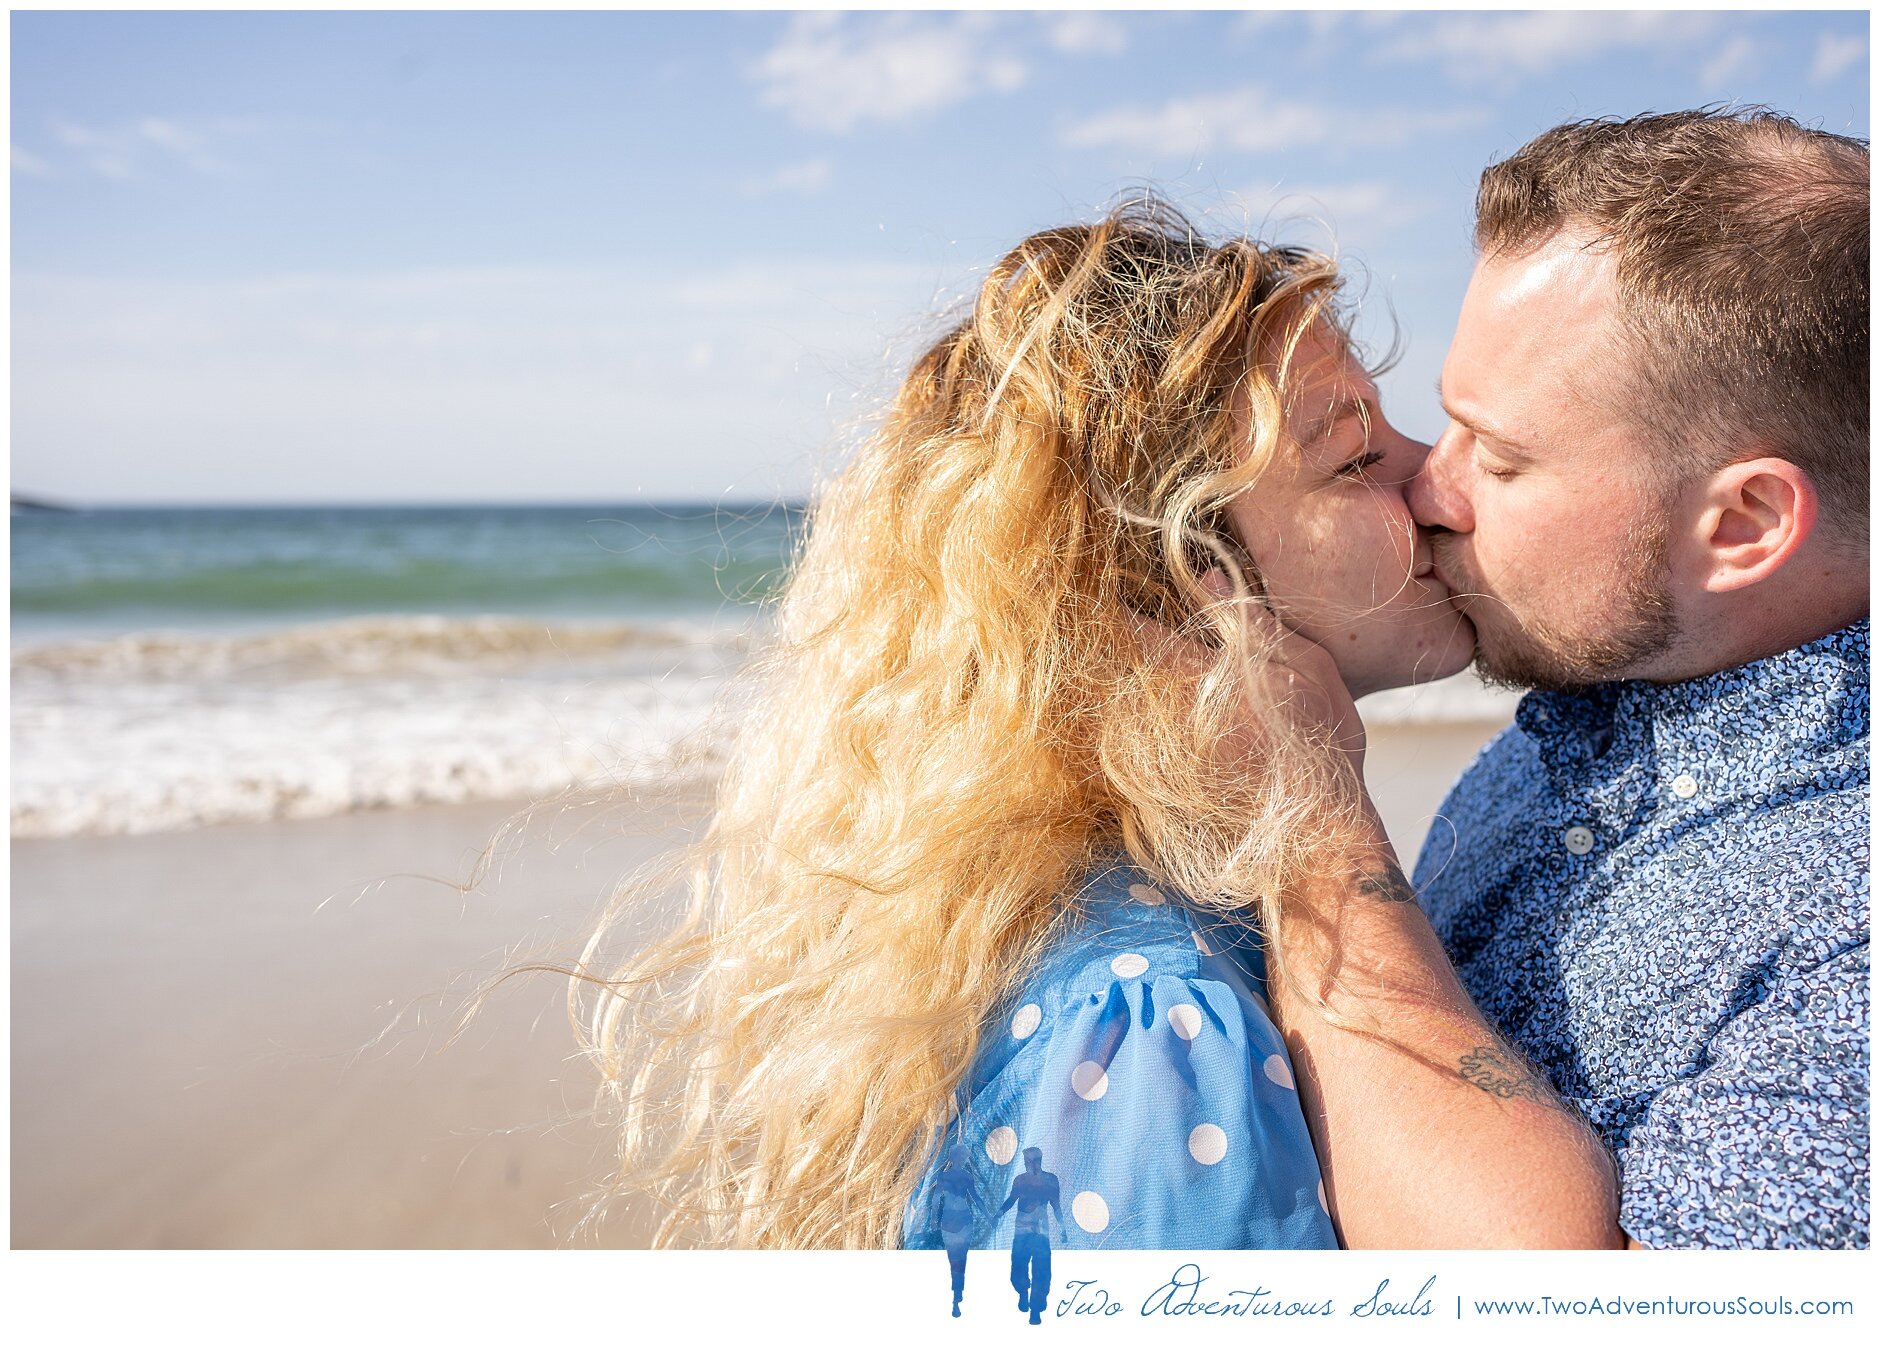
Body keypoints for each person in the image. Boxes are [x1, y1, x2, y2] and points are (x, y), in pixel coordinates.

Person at [577, 194, 1505, 1248]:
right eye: (1351, 457)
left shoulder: (1136, 914)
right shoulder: (1159, 1026)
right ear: (1179, 584)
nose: (1433, 475)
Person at [1249, 109, 1869, 1249]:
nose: (1428, 491)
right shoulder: (1574, 720)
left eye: (1498, 456)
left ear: (1741, 524)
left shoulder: (1850, 913)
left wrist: (1309, 829)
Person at [997, 1149, 1064, 1325]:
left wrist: (1063, 1228)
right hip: (1022, 1230)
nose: (1031, 1164)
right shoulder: (1020, 1181)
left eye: (1034, 1161)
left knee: (1041, 1271)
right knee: (1018, 1267)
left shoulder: (1050, 1180)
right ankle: (1022, 1292)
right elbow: (1011, 1200)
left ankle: (1036, 1308)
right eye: (1028, 1161)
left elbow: (1056, 1206)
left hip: (1041, 1232)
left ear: (1040, 1160)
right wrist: (999, 1213)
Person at [926, 1147, 984, 1316]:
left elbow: (975, 1197)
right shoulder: (950, 1176)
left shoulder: (961, 1176)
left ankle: (957, 1298)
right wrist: (933, 1219)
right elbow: (937, 1198)